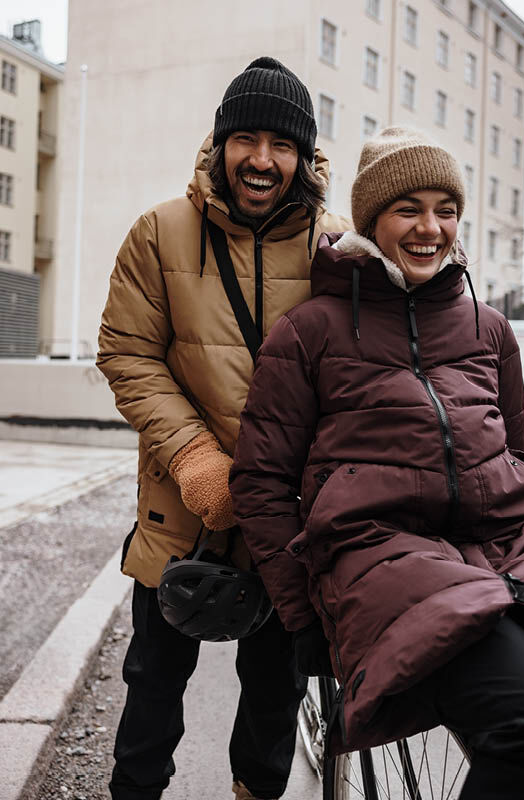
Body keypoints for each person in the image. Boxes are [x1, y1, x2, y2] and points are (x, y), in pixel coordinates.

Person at [229, 126, 524, 800]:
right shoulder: (311, 330)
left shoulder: (489, 328)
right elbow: (262, 481)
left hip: (503, 554)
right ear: (372, 218)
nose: (432, 228)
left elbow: (512, 457)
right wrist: (300, 617)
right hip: (381, 563)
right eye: (409, 209)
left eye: (446, 209)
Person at [96, 56, 349, 800]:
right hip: (184, 507)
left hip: (289, 519)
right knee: (151, 686)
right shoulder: (160, 232)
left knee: (276, 690)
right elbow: (126, 350)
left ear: (303, 156)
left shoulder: (335, 248)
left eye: (282, 144)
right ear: (220, 144)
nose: (262, 160)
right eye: (246, 139)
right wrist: (192, 453)